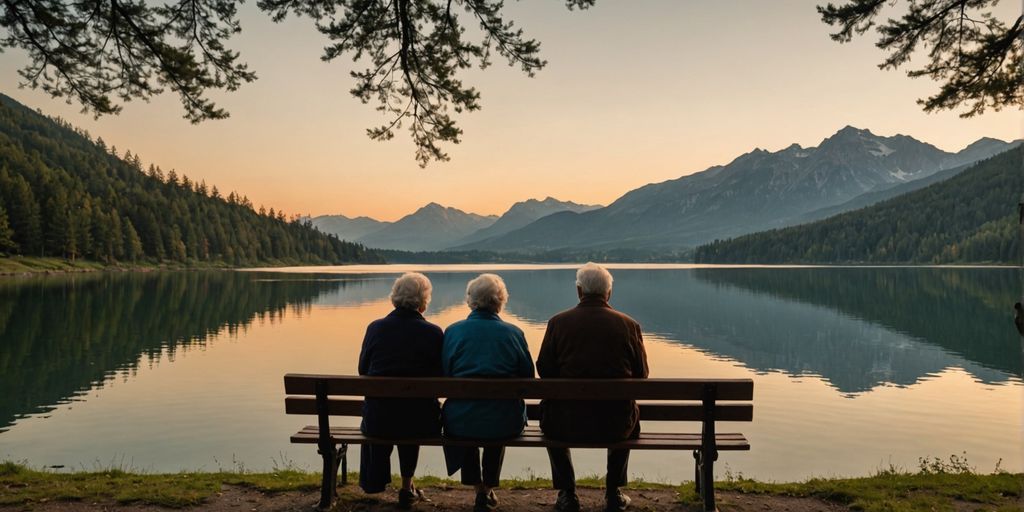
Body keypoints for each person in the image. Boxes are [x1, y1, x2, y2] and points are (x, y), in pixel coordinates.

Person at [536, 263, 649, 512]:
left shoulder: (558, 323)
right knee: (626, 411)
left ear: (579, 291)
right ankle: (612, 493)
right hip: (615, 425)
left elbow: (544, 369)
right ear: (608, 293)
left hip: (565, 424)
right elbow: (641, 375)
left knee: (551, 414)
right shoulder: (629, 325)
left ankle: (567, 494)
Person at [441, 273, 535, 512]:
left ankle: (478, 489)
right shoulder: (514, 333)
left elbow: (445, 373)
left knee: (469, 416)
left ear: (470, 300)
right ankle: (488, 487)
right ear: (500, 300)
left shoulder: (452, 332)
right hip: (505, 422)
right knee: (498, 414)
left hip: (461, 421)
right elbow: (528, 376)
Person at [357, 272, 443, 508]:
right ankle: (407, 487)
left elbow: (362, 369)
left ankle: (374, 481)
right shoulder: (434, 333)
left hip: (379, 420)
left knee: (384, 411)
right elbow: (441, 375)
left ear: (394, 297)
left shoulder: (375, 328)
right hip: (422, 422)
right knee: (412, 411)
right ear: (423, 301)